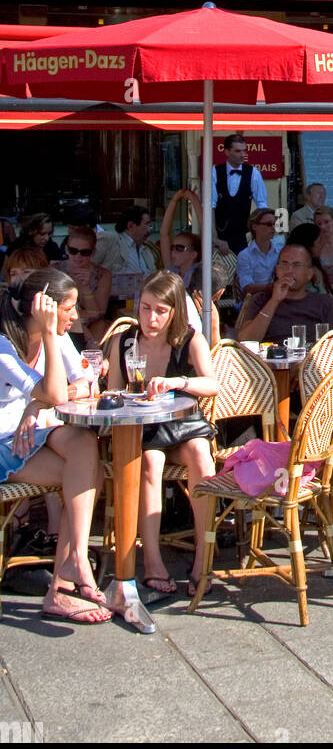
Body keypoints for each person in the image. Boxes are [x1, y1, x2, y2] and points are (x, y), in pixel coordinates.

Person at [0, 270, 110, 622]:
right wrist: (49, 336)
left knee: (83, 446)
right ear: (43, 308)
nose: (76, 317)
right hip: (3, 442)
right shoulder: (4, 346)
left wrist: (38, 403)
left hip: (29, 437)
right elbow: (58, 393)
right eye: (69, 308)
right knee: (88, 477)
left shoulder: (57, 337)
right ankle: (65, 581)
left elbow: (88, 380)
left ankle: (72, 565)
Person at [106, 270, 220, 596]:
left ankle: (203, 556)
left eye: (160, 311)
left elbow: (211, 384)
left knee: (201, 453)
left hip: (183, 424)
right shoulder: (124, 341)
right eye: (145, 308)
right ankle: (153, 560)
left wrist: (178, 382)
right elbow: (113, 391)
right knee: (150, 463)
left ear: (174, 312)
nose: (151, 318)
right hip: (145, 426)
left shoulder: (189, 339)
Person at [236, 243, 333, 343]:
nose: (289, 270)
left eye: (296, 265)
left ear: (309, 274)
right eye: (284, 264)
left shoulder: (324, 303)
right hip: (268, 360)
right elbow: (245, 341)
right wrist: (274, 301)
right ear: (277, 270)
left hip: (311, 359)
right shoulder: (260, 300)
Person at [212, 134, 269, 254]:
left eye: (244, 150)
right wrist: (214, 238)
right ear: (227, 152)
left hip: (243, 236)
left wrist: (260, 236)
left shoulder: (253, 173)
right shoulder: (215, 172)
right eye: (238, 151)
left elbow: (262, 206)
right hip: (219, 235)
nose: (243, 154)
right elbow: (209, 207)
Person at [55, 226, 111, 343]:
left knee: (100, 325)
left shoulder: (102, 275)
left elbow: (99, 312)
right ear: (66, 249)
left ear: (93, 252)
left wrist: (85, 287)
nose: (78, 257)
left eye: (85, 252)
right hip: (61, 323)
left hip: (92, 326)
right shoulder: (56, 271)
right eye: (73, 251)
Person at [160, 188, 204, 286]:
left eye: (179, 248)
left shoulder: (200, 273)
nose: (173, 252)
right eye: (172, 248)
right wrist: (174, 200)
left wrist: (194, 199)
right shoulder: (172, 271)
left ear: (193, 254)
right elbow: (164, 234)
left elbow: (205, 231)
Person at [94, 207, 155, 275]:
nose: (149, 230)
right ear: (131, 226)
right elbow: (87, 266)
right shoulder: (110, 240)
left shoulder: (146, 250)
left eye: (150, 226)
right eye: (146, 224)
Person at [236, 208, 283, 294]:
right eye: (269, 224)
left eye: (274, 224)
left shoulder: (281, 251)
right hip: (255, 301)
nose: (273, 228)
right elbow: (247, 288)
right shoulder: (245, 256)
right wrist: (272, 287)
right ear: (254, 227)